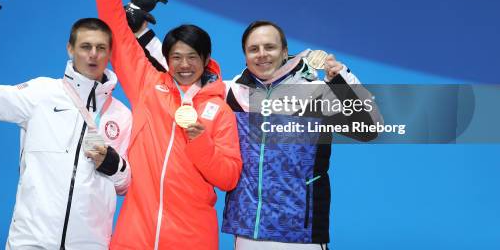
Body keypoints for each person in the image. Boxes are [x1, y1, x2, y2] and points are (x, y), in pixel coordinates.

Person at [134, 17, 381, 249]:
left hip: (301, 233)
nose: (262, 54)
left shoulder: (317, 92)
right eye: (254, 49)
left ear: (284, 51)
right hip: (247, 232)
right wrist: (141, 32)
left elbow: (370, 128)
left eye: (269, 47)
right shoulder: (231, 94)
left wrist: (341, 79)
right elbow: (182, 65)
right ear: (245, 56)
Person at [85, 0, 242, 249]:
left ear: (207, 59)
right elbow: (116, 27)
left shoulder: (220, 110)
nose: (184, 65)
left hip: (192, 238)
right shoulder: (147, 84)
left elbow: (228, 178)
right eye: (176, 57)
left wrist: (200, 140)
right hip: (134, 234)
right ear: (165, 59)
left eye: (192, 57)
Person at [0, 14, 132, 250]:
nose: (93, 54)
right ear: (70, 48)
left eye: (100, 47)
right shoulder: (41, 93)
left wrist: (113, 164)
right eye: (85, 46)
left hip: (91, 244)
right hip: (32, 241)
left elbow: (125, 185)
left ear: (109, 53)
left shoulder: (121, 115)